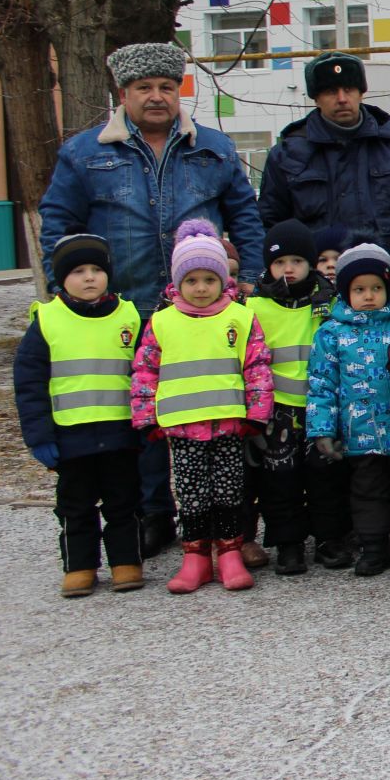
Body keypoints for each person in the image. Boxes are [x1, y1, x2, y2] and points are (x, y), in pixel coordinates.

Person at [39, 42, 266, 560]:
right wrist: (67, 284)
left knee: (219, 409)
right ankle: (154, 515)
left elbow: (245, 215)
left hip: (206, 308)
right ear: (124, 94)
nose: (157, 97)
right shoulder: (84, 153)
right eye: (145, 88)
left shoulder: (213, 148)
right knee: (142, 413)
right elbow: (58, 222)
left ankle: (230, 521)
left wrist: (249, 276)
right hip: (125, 306)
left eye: (167, 86)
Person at [129, 221, 274, 594]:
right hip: (181, 428)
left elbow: (256, 367)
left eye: (209, 280)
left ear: (221, 280)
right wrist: (146, 418)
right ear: (178, 283)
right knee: (192, 494)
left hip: (228, 424)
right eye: (191, 280)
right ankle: (195, 557)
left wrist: (257, 414)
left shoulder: (240, 318)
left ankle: (229, 553)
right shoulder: (161, 322)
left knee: (229, 492)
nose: (200, 288)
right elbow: (145, 371)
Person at [15, 235, 144, 597]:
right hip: (70, 436)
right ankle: (80, 566)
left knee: (124, 502)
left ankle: (126, 563)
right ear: (60, 278)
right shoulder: (48, 321)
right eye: (78, 271)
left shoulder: (129, 316)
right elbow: (29, 385)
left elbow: (146, 375)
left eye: (97, 270)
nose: (89, 278)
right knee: (75, 506)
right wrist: (39, 437)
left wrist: (145, 424)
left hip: (120, 434)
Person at [257, 51, 390, 288]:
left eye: (349, 89)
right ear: (316, 98)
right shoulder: (287, 154)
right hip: (315, 292)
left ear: (361, 93)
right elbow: (269, 226)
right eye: (330, 92)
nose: (342, 98)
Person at [306, 243, 390, 576]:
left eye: (376, 288)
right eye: (359, 289)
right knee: (367, 492)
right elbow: (321, 385)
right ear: (346, 292)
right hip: (360, 432)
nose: (369, 296)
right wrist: (322, 430)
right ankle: (374, 547)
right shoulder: (332, 332)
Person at [245, 219, 345, 575]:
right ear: (268, 268)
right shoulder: (255, 308)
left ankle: (329, 539)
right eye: (279, 262)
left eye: (297, 261)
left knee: (325, 475)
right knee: (280, 479)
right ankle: (288, 543)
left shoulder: (328, 303)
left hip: (323, 406)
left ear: (310, 263)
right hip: (278, 411)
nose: (289, 269)